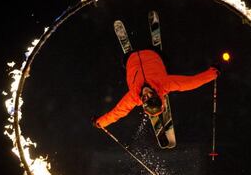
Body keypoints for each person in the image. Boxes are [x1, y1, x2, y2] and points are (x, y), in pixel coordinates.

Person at [92, 48, 220, 129]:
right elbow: (191, 82)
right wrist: (213, 73)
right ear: (157, 95)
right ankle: (159, 108)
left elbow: (117, 113)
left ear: (142, 102)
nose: (146, 93)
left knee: (122, 66)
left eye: (145, 98)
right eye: (151, 95)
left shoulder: (133, 97)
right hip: (153, 52)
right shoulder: (164, 84)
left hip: (129, 57)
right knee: (168, 68)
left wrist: (100, 122)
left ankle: (157, 110)